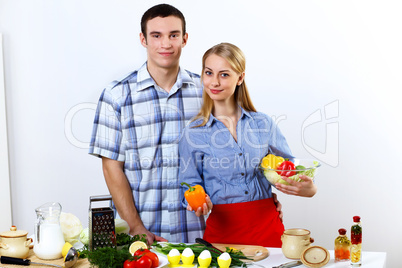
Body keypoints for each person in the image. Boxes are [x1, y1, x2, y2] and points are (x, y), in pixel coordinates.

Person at [89, 4, 283, 245]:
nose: (166, 44)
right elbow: (111, 169)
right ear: (143, 39)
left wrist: (260, 201)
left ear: (185, 39)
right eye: (156, 35)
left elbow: (240, 146)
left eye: (173, 35)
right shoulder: (116, 96)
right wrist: (136, 227)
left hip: (203, 233)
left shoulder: (208, 90)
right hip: (144, 232)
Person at [179, 43, 317, 247]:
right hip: (221, 235)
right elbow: (188, 184)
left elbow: (289, 169)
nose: (214, 82)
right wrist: (198, 202)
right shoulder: (192, 133)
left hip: (268, 229)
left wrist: (309, 188)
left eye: (224, 74)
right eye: (209, 73)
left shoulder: (263, 124)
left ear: (240, 78)